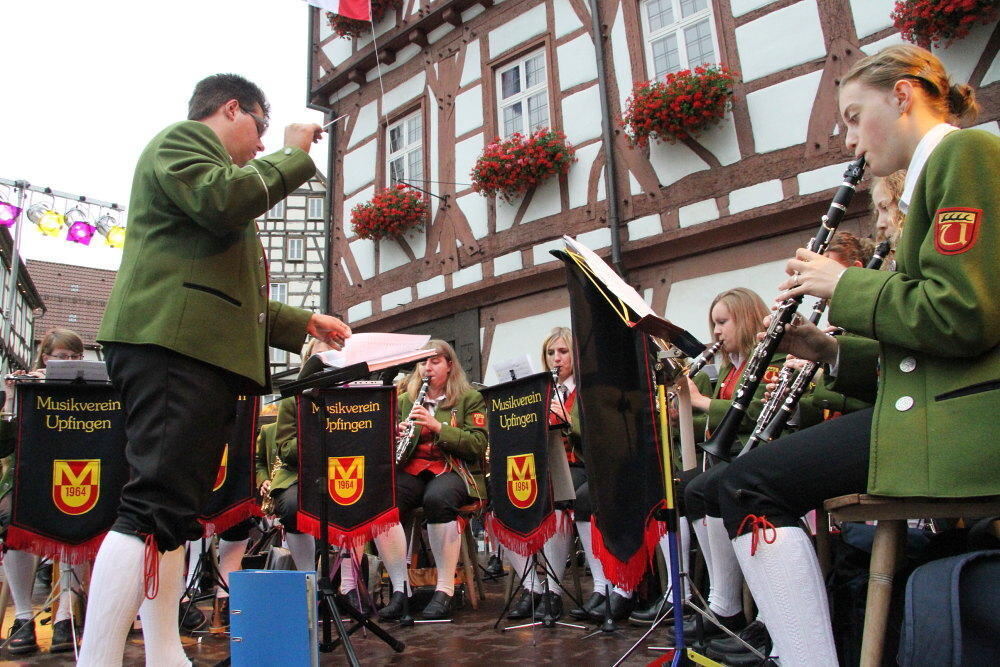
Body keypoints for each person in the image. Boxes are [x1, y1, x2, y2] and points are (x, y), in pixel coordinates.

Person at [716, 44, 999, 665]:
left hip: (966, 424)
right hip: (939, 408)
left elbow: (963, 315)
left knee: (744, 486)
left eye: (851, 115)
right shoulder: (937, 170)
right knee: (726, 484)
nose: (847, 139)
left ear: (902, 95)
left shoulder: (965, 152)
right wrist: (827, 349)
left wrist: (842, 286)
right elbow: (928, 348)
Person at [78, 74, 351, 667]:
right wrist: (293, 152)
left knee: (172, 513)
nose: (259, 146)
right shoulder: (181, 143)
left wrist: (303, 322)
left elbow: (234, 298)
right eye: (257, 130)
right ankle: (96, 659)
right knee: (153, 506)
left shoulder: (211, 176)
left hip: (187, 347)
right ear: (232, 109)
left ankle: (165, 653)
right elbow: (224, 201)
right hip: (174, 347)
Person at [635, 288, 778, 636]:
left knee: (699, 487)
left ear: (745, 319)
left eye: (722, 322)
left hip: (758, 455)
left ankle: (724, 604)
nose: (715, 332)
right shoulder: (732, 369)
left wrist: (698, 402)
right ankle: (718, 598)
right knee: (687, 490)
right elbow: (718, 423)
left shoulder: (768, 361)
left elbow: (757, 412)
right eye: (713, 323)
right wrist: (681, 409)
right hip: (730, 455)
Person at [375, 340, 488, 621]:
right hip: (414, 469)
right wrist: (397, 435)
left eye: (435, 361)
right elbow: (388, 447)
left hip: (453, 469)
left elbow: (477, 444)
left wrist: (439, 427)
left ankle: (445, 589)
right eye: (423, 362)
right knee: (382, 501)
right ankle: (401, 588)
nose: (428, 367)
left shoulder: (469, 398)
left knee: (437, 499)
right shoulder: (405, 400)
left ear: (450, 366)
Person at [1, 329, 88, 655]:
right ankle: (23, 617)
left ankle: (65, 618)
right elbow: (4, 443)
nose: (68, 363)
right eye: (61, 358)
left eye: (75, 358)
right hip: (30, 479)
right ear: (46, 358)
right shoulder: (28, 385)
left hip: (73, 477)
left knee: (85, 518)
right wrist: (14, 395)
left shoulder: (88, 391)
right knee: (13, 519)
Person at [506, 327, 581, 621]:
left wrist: (567, 420)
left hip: (575, 465)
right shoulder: (540, 391)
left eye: (563, 352)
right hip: (540, 465)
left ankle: (554, 590)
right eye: (551, 353)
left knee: (557, 500)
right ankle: (533, 587)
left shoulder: (583, 389)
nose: (556, 359)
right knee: (501, 502)